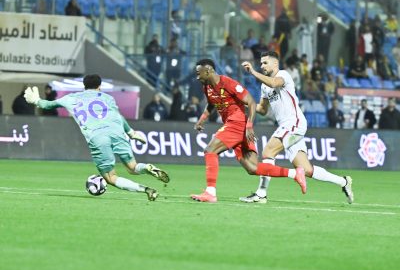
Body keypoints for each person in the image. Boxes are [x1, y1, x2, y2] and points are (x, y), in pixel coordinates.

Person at [24, 75, 169, 201]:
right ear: (100, 86)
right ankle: (147, 167)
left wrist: (36, 100)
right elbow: (118, 117)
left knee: (111, 177)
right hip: (117, 132)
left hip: (98, 137)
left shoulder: (71, 98)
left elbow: (48, 105)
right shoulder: (108, 98)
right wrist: (131, 132)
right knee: (133, 167)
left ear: (84, 86)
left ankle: (147, 190)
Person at [240, 51, 354, 205]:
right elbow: (263, 109)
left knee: (268, 152)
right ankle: (343, 182)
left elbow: (274, 83)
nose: (262, 66)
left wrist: (253, 72)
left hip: (294, 122)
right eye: (260, 63)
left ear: (275, 63)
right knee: (307, 169)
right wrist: (243, 102)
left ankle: (261, 194)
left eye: (265, 63)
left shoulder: (283, 75)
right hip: (288, 126)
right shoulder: (264, 86)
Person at [190, 58, 307, 203]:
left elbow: (251, 102)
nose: (197, 77)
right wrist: (202, 119)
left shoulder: (228, 83)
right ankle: (295, 174)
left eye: (199, 73)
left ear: (208, 71)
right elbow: (211, 104)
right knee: (253, 168)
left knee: (210, 150)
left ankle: (210, 192)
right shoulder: (207, 87)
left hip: (237, 123)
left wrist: (249, 126)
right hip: (236, 126)